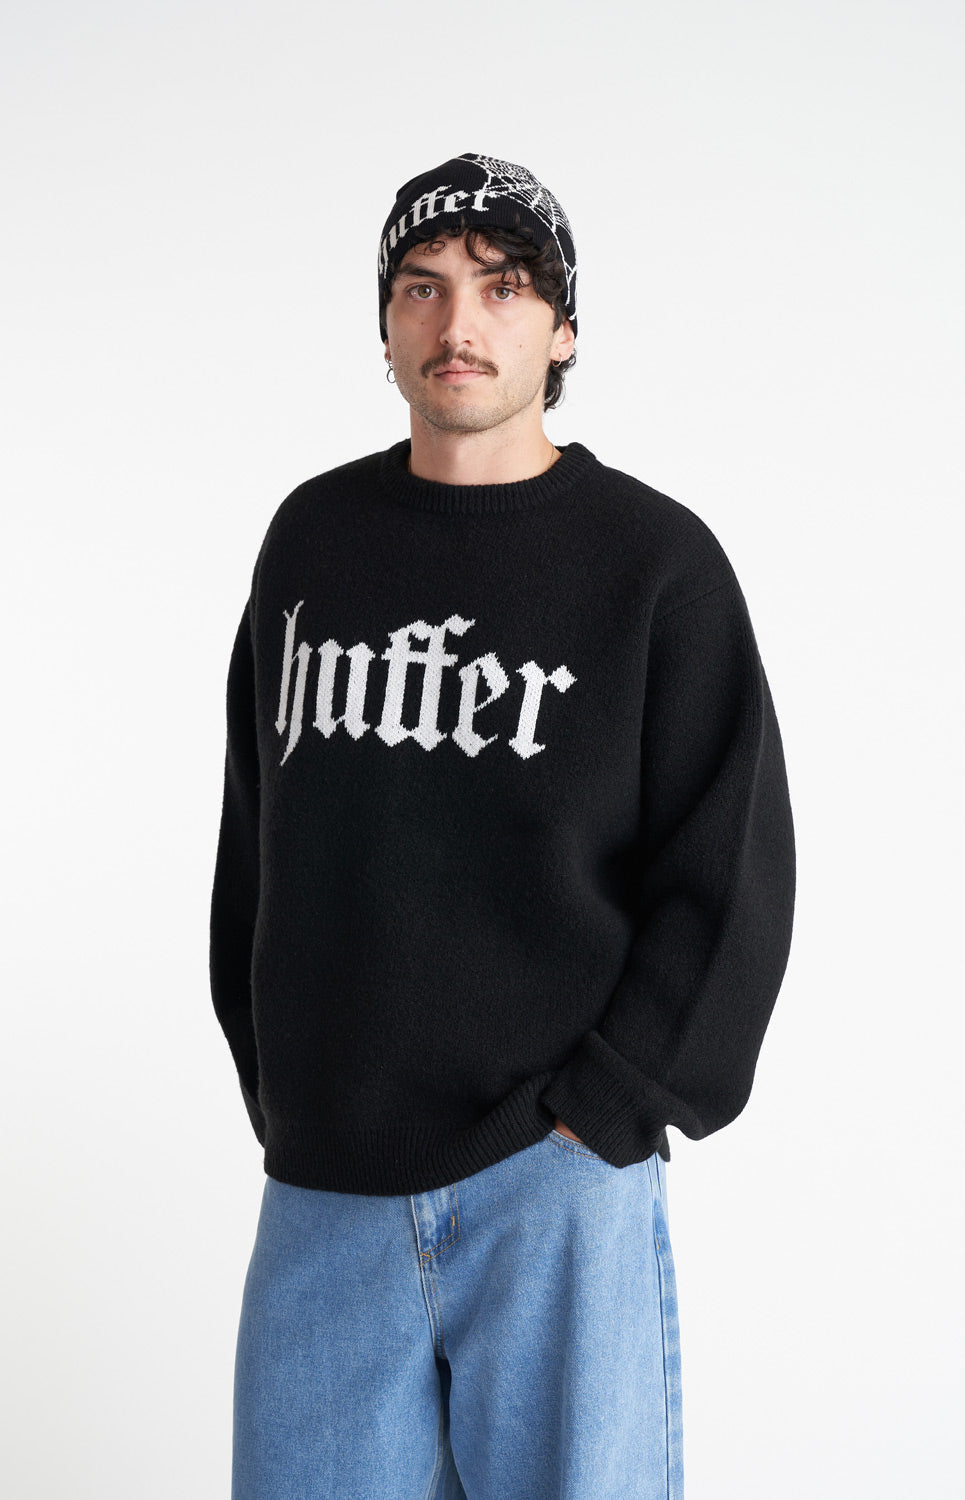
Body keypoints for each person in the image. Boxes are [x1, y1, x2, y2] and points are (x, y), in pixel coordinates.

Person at [209, 151, 796, 1500]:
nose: (457, 324)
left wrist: (610, 1112)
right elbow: (258, 836)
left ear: (563, 329)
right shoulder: (312, 541)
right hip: (326, 1188)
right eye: (422, 288)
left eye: (502, 287)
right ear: (386, 323)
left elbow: (729, 871)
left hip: (554, 1182)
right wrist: (285, 1086)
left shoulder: (656, 567)